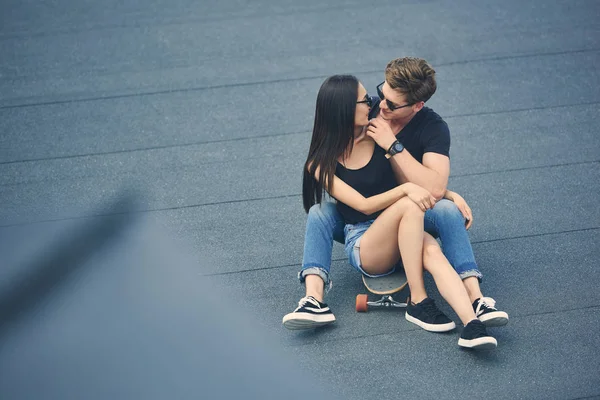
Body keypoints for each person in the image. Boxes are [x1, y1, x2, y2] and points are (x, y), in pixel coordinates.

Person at [283, 57, 508, 330]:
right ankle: (313, 299)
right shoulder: (364, 125)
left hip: (405, 213)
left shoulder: (426, 128)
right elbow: (372, 199)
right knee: (320, 211)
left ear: (416, 106)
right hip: (367, 227)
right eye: (377, 96)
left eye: (389, 103)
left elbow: (414, 183)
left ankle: (475, 306)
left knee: (445, 213)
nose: (378, 105)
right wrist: (415, 189)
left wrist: (444, 192)